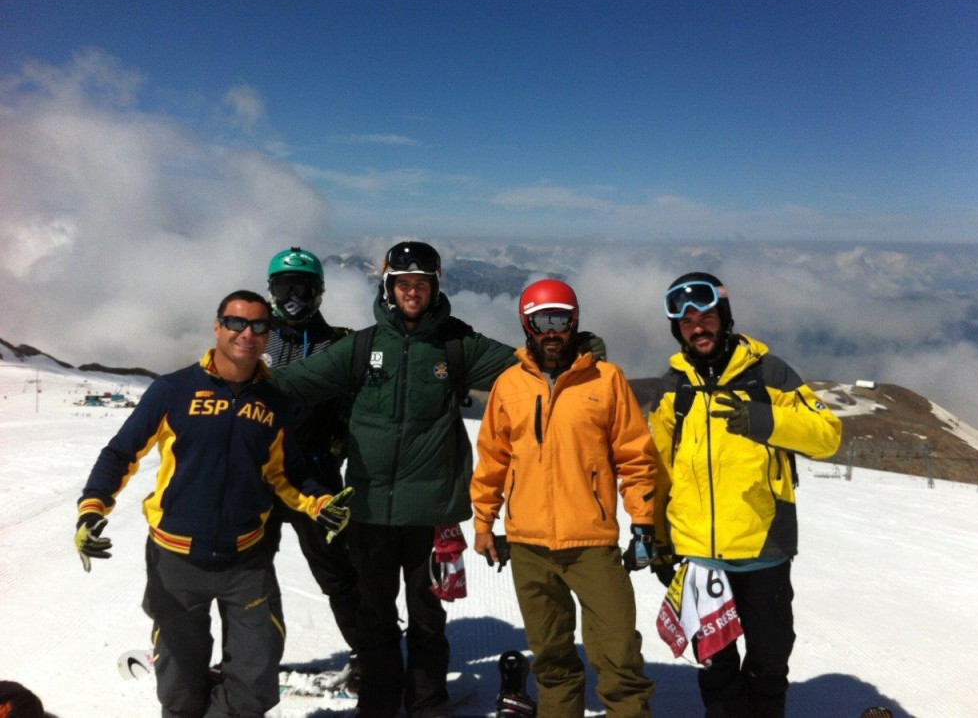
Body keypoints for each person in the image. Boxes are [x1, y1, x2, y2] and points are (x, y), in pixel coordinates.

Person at [269, 242, 606, 717]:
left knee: (427, 616)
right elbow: (291, 383)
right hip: (369, 511)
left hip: (431, 514)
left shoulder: (456, 344)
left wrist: (575, 351)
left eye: (421, 284)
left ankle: (427, 702)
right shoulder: (362, 347)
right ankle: (379, 703)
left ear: (433, 288)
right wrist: (224, 372)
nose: (412, 292)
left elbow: (526, 366)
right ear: (389, 288)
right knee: (374, 615)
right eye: (403, 284)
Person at [74, 290, 352, 718]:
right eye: (236, 323)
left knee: (256, 683)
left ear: (268, 335)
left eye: (259, 326)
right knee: (180, 692)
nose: (247, 333)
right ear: (217, 326)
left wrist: (320, 501)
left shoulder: (275, 401)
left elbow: (288, 471)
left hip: (247, 560)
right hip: (175, 559)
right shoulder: (173, 390)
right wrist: (93, 507)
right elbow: (121, 453)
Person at [648, 273, 842, 718]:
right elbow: (660, 470)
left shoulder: (769, 374)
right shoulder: (674, 388)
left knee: (769, 661)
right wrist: (658, 540)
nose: (698, 328)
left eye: (706, 317)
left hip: (763, 548)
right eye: (686, 322)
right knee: (716, 666)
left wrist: (766, 421)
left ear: (725, 316)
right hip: (701, 557)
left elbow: (828, 435)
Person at [471, 279, 657, 717]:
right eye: (541, 322)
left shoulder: (607, 380)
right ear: (527, 325)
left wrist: (644, 522)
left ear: (574, 322)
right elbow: (493, 458)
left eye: (560, 320)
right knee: (552, 661)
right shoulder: (509, 385)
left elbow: (635, 456)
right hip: (529, 546)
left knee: (619, 658)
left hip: (592, 543)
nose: (551, 331)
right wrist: (483, 523)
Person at [260, 246, 361, 680]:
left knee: (338, 572)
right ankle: (248, 658)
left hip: (316, 480)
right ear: (271, 290)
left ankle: (370, 654)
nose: (293, 298)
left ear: (318, 292)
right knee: (248, 575)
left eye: (302, 288)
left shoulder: (339, 346)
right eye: (285, 288)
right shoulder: (254, 339)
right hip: (257, 480)